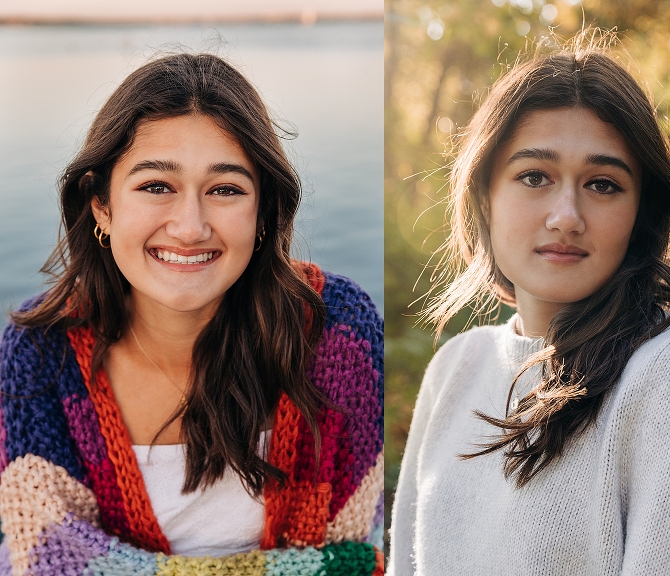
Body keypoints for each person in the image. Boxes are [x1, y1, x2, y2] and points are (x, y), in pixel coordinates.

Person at [0, 53, 383, 575]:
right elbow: (43, 556)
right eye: (156, 186)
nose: (190, 227)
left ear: (263, 213)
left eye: (225, 190)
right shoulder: (38, 353)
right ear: (102, 206)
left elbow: (358, 556)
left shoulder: (336, 330)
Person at [388, 33, 670, 575]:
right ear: (485, 195)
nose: (566, 215)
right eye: (534, 177)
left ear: (639, 211)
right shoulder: (455, 368)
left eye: (602, 184)